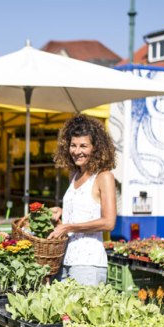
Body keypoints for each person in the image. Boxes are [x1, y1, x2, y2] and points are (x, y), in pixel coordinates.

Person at [48, 115, 117, 285]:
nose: (77, 151)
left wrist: (69, 227)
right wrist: (62, 212)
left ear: (96, 148)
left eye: (84, 146)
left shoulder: (104, 176)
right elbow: (86, 210)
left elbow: (109, 222)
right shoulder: (74, 175)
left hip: (88, 264)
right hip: (64, 259)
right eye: (73, 145)